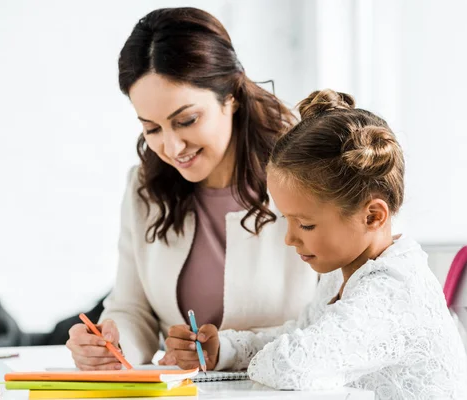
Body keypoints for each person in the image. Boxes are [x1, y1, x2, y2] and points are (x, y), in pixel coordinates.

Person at [166, 89, 467, 398]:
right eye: (286, 220)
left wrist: (260, 359)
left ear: (372, 216)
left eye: (306, 224)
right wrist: (226, 350)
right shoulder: (344, 272)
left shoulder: (392, 291)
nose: (290, 238)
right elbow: (302, 335)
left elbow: (294, 364)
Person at [65, 7, 318, 371]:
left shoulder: (308, 173)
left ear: (231, 94)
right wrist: (113, 344)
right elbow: (132, 307)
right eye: (152, 129)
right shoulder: (145, 187)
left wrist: (228, 351)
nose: (172, 147)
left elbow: (336, 322)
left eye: (187, 121)